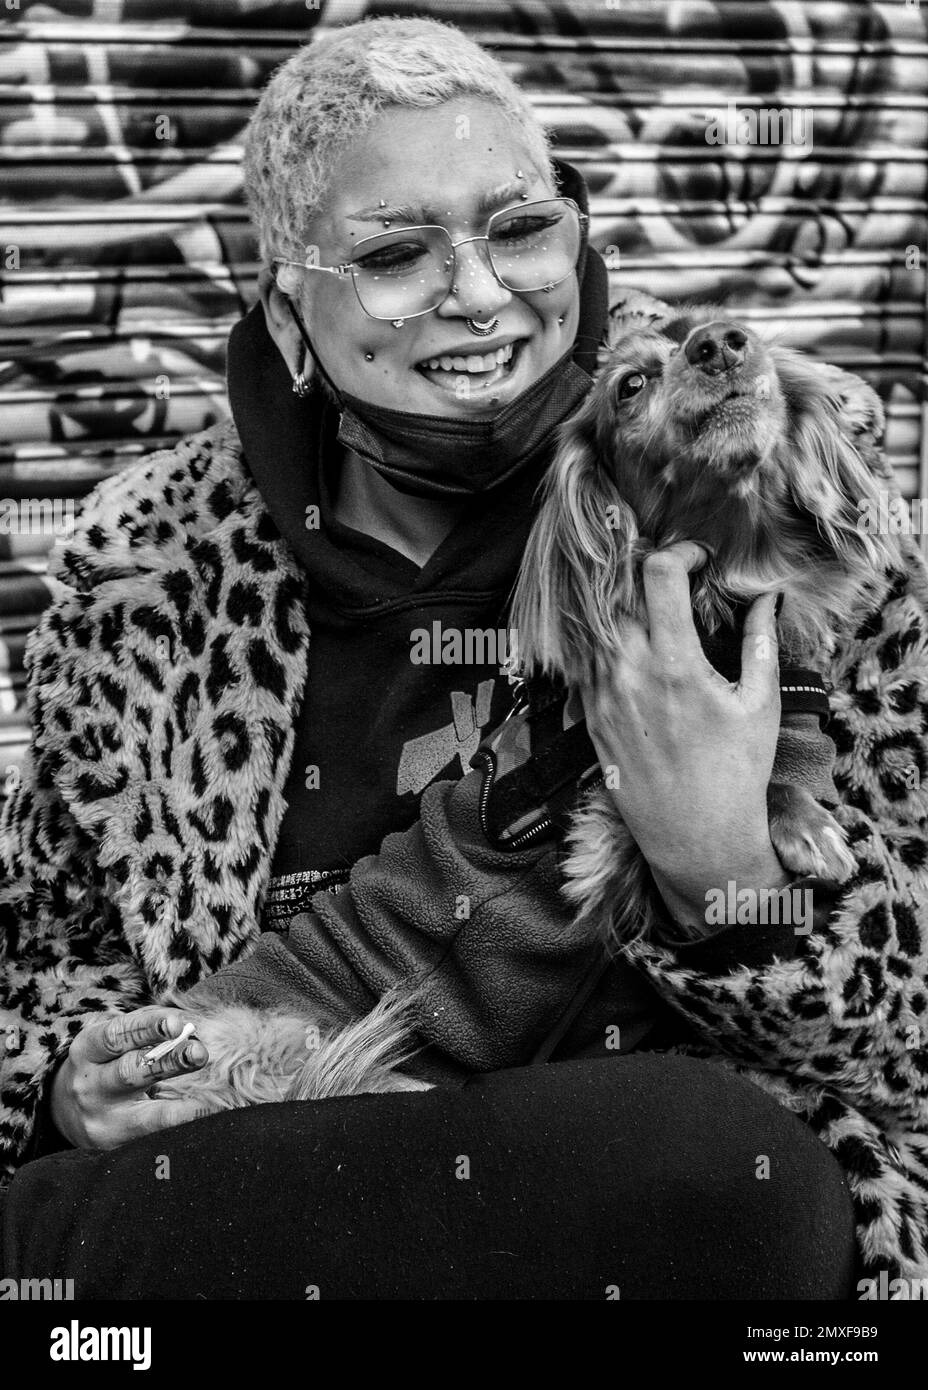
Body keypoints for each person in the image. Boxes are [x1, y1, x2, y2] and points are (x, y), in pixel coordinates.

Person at [1, 17, 926, 1300]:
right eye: (392, 254)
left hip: (673, 1227)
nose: (482, 295)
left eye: (521, 228)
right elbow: (50, 977)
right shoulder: (138, 597)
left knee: (706, 1160)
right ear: (286, 309)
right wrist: (72, 1074)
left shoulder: (768, 494)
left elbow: (904, 1050)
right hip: (249, 1190)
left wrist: (726, 868)